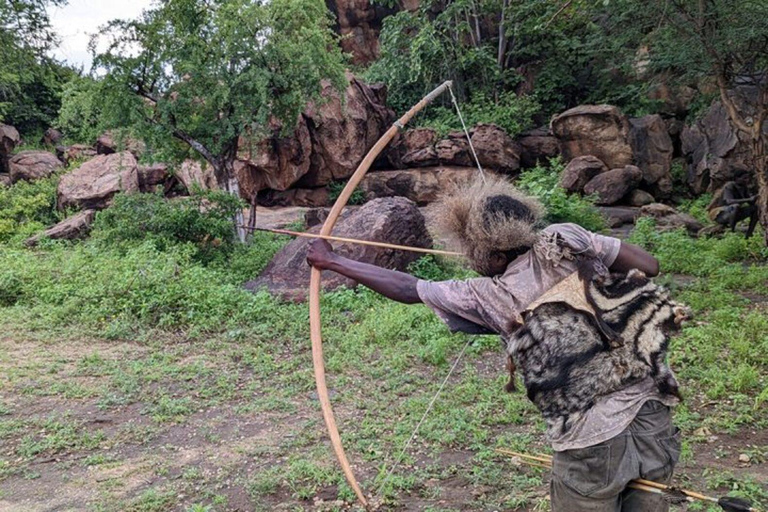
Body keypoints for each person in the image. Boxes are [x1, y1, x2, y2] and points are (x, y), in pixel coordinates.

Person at [306, 175, 680, 512]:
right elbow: (649, 264)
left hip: (591, 439)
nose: (470, 258)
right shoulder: (567, 238)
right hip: (654, 414)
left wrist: (333, 260)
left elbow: (408, 289)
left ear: (499, 254)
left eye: (476, 250)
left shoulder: (489, 294)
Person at [708, 170, 758, 238]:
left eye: (747, 178)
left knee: (755, 209)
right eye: (744, 178)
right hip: (721, 215)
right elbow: (729, 201)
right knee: (735, 206)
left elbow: (750, 202)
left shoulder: (744, 188)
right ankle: (731, 229)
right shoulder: (730, 186)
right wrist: (749, 199)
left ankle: (749, 233)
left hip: (735, 213)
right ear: (737, 178)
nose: (747, 180)